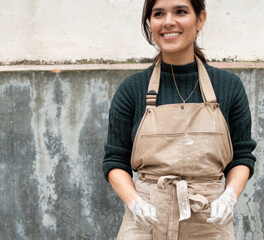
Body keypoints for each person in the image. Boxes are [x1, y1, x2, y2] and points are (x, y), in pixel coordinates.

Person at [102, 0, 257, 239]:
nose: (168, 22)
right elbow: (115, 160)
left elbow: (242, 156)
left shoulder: (228, 87)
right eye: (158, 14)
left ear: (200, 19)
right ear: (150, 23)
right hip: (147, 221)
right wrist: (135, 203)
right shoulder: (132, 89)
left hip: (209, 221)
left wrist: (229, 197)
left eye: (181, 12)